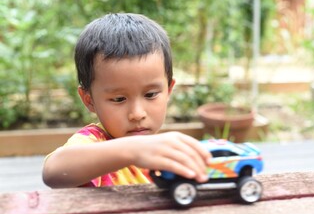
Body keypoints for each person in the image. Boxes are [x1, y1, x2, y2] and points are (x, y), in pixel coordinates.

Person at [42, 13, 211, 188]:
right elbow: (53, 171)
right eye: (119, 99)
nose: (137, 114)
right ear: (89, 100)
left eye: (151, 95)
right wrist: (134, 150)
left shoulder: (161, 151)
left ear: (168, 90)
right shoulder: (93, 142)